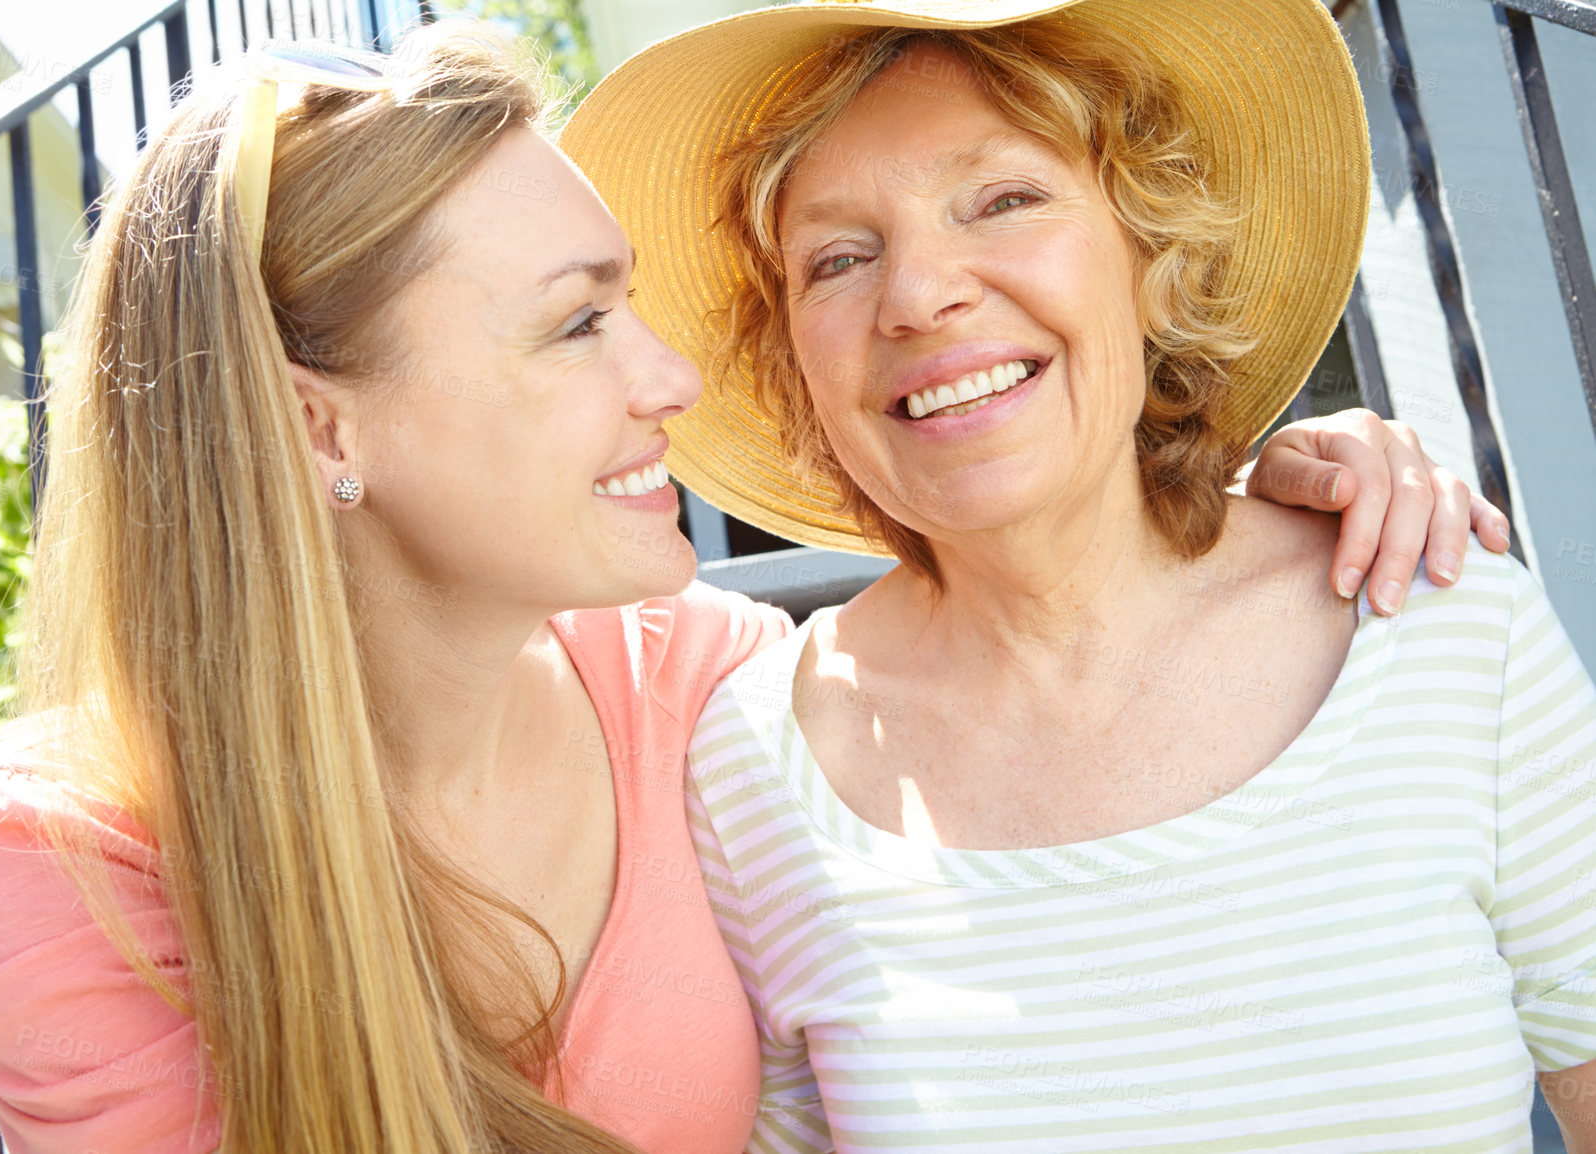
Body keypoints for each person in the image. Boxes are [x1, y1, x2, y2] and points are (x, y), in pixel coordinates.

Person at [0, 15, 1497, 1154]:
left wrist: (1231, 494)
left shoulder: (702, 695)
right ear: (318, 423)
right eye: (576, 322)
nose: (668, 377)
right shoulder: (43, 861)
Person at [563, 0, 1596, 1150]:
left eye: (1002, 199)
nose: (917, 296)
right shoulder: (748, 767)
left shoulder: (1434, 613)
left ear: (1148, 249)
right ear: (792, 358)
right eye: (840, 258)